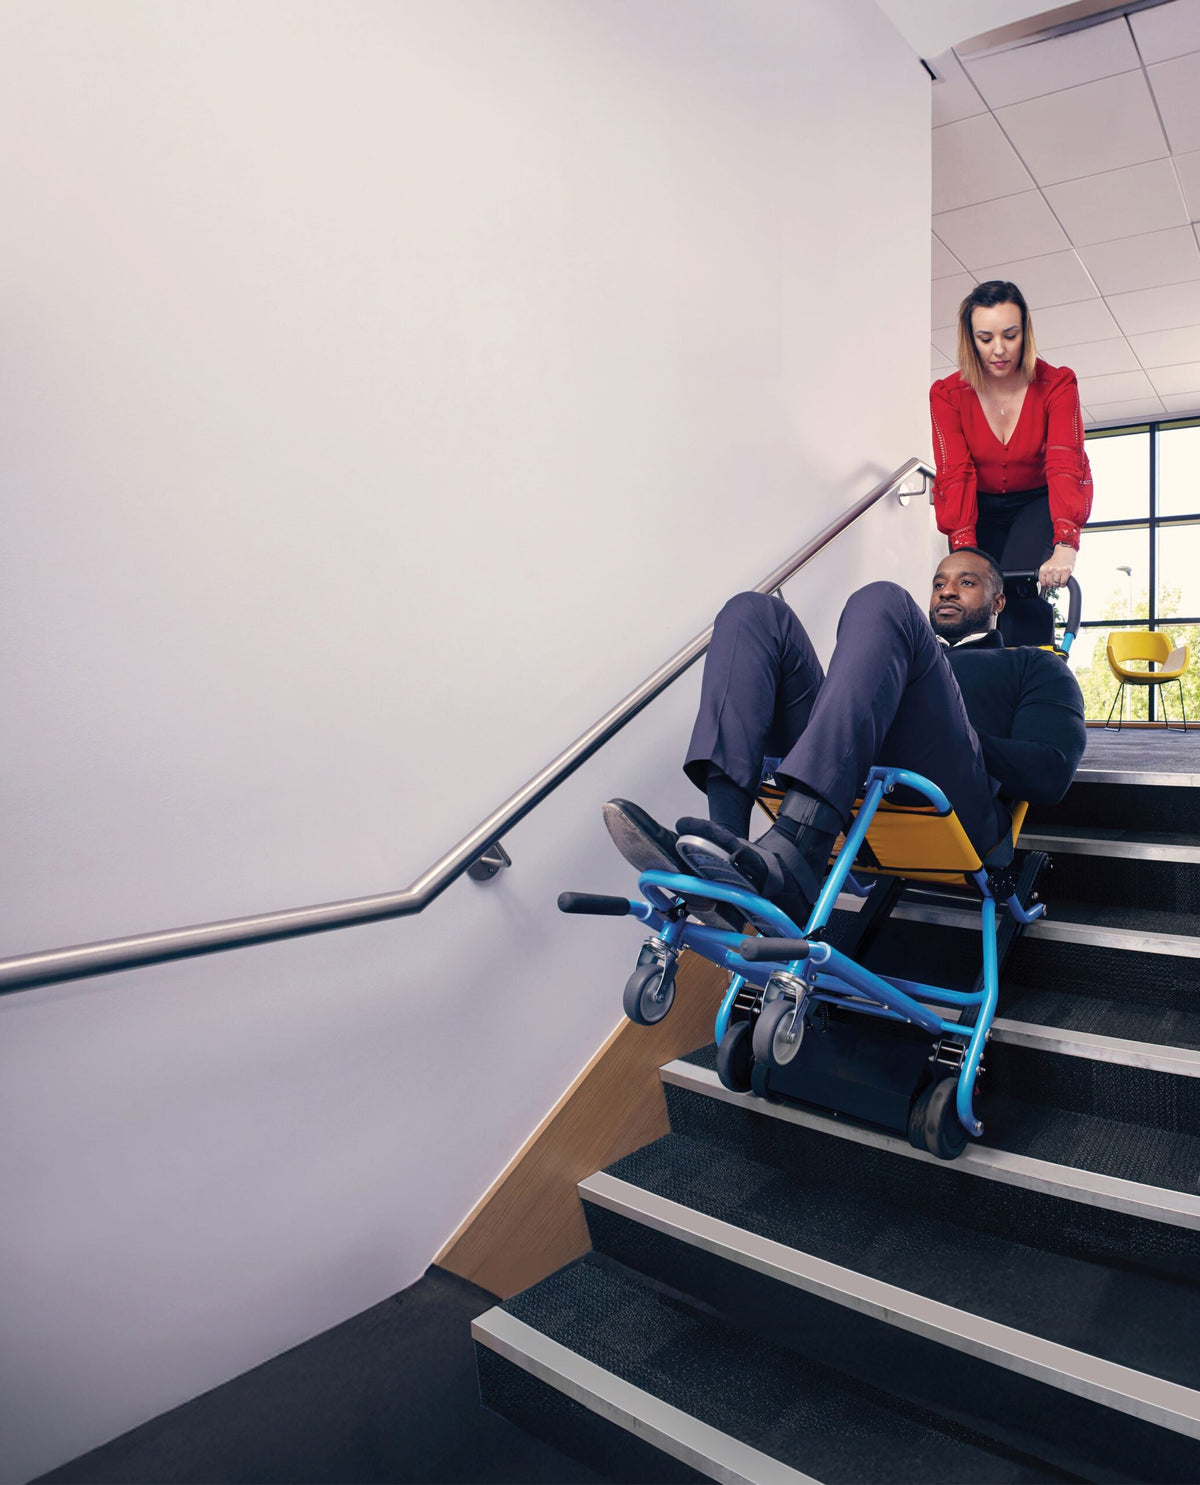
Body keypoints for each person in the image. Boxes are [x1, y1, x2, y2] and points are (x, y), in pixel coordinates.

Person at [603, 551, 1086, 928]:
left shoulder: (1032, 664)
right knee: (752, 611)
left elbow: (1050, 773)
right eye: (939, 583)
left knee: (882, 599)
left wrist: (942, 727)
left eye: (966, 583)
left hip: (952, 794)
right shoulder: (898, 646)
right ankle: (727, 858)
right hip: (848, 770)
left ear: (998, 603)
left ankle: (795, 857)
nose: (946, 591)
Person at [930, 280, 1092, 647]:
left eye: (1010, 335)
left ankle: (1032, 667)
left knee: (1017, 588)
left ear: (1025, 332)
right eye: (986, 338)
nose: (999, 349)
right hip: (977, 503)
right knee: (975, 593)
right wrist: (964, 548)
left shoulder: (1057, 384)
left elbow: (1065, 462)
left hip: (1036, 500)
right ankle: (971, 672)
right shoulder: (947, 394)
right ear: (970, 339)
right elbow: (955, 472)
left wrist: (1066, 543)